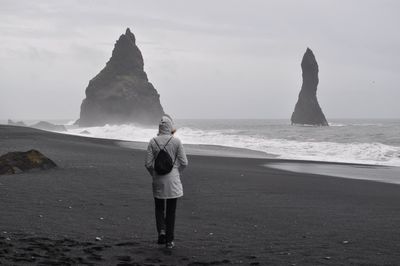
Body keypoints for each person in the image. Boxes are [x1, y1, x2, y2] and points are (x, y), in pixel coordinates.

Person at [145, 115, 188, 249]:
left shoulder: (153, 141)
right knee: (171, 211)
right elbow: (184, 162)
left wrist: (154, 175)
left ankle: (161, 232)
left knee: (159, 208)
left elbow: (148, 164)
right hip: (173, 181)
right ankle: (170, 241)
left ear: (160, 127)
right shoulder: (176, 142)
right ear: (170, 127)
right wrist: (177, 172)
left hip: (158, 180)